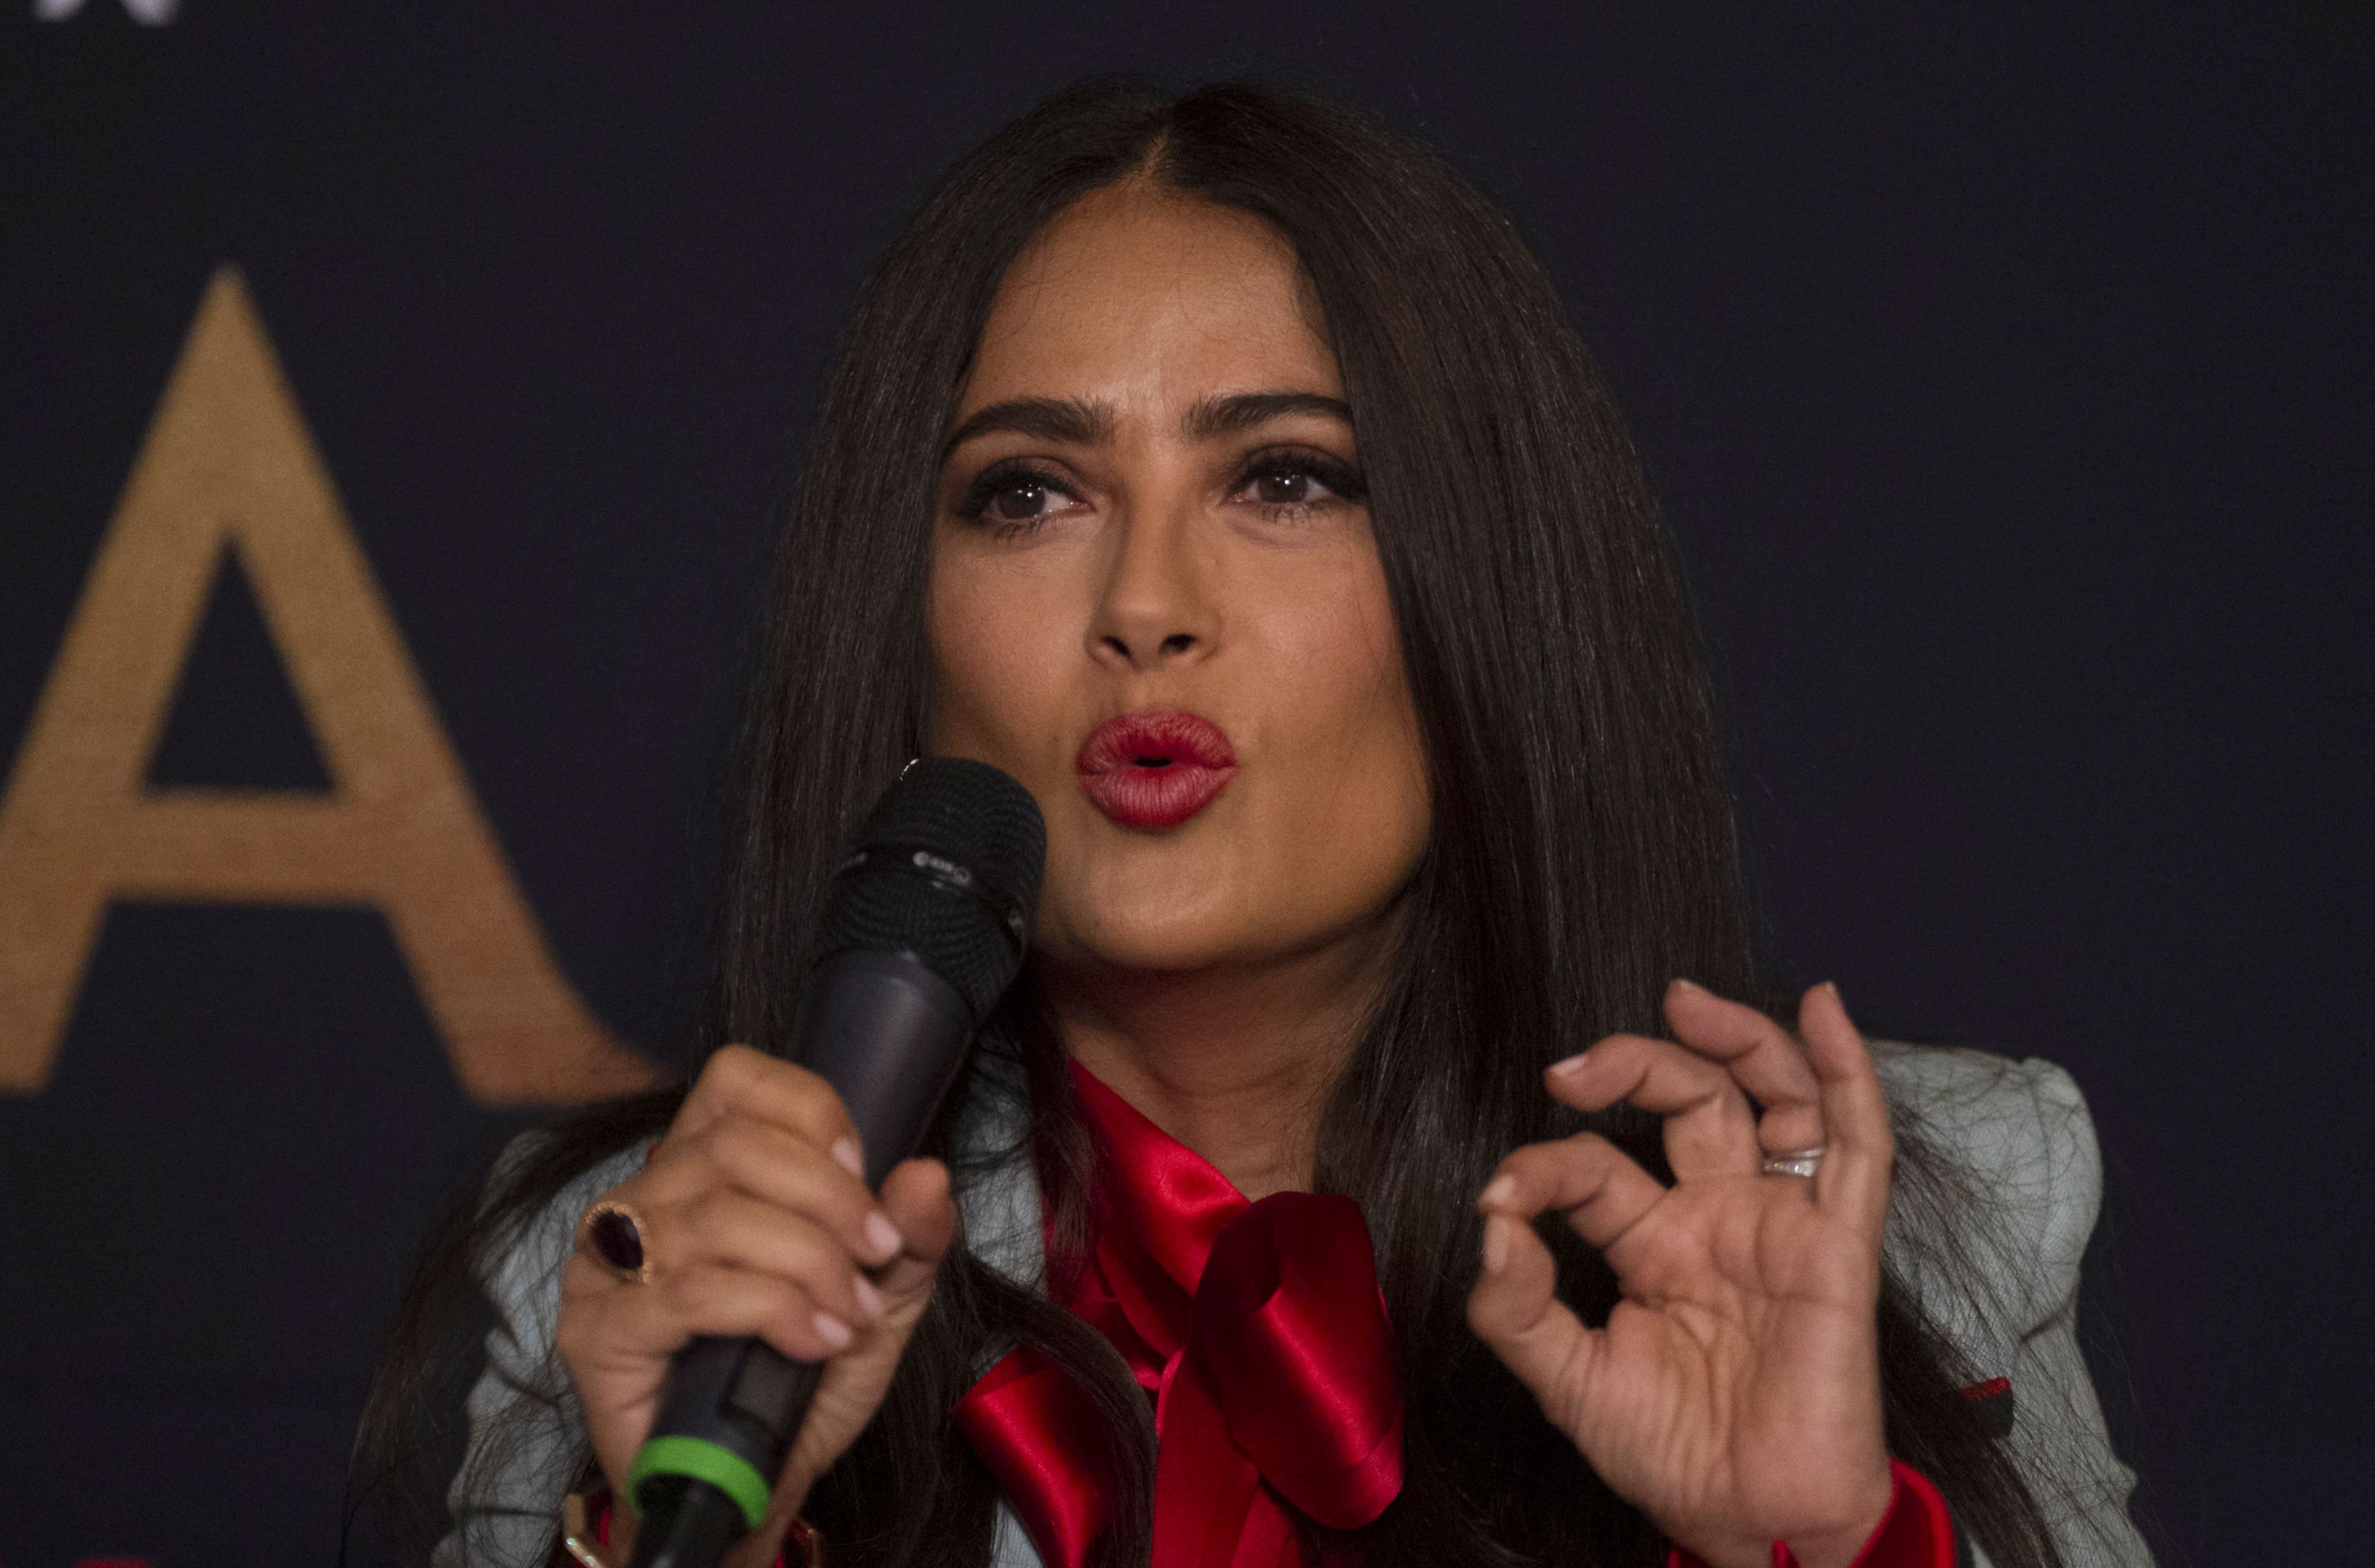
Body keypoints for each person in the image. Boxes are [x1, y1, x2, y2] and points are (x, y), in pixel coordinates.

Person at [353, 80, 2154, 1568]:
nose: (1146, 604)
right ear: (905, 629)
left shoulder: (1907, 1223)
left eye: (1285, 478)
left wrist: (1825, 1549)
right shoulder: (641, 1265)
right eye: (1029, 493)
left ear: (1484, 594)